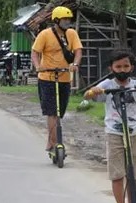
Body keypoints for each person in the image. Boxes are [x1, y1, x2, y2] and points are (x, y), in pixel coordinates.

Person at [83, 50, 136, 203]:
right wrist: (93, 91)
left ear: (131, 67)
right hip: (114, 133)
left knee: (133, 173)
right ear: (111, 68)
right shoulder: (107, 85)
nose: (122, 69)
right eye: (118, 66)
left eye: (125, 66)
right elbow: (87, 96)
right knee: (117, 174)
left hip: (134, 133)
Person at [31, 6, 83, 152]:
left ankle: (53, 139)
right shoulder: (45, 34)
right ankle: (52, 142)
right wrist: (37, 66)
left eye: (69, 19)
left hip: (65, 77)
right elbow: (35, 53)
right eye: (64, 19)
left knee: (60, 111)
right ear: (56, 20)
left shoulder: (72, 34)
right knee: (52, 111)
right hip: (47, 77)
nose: (67, 22)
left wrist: (75, 64)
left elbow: (78, 51)